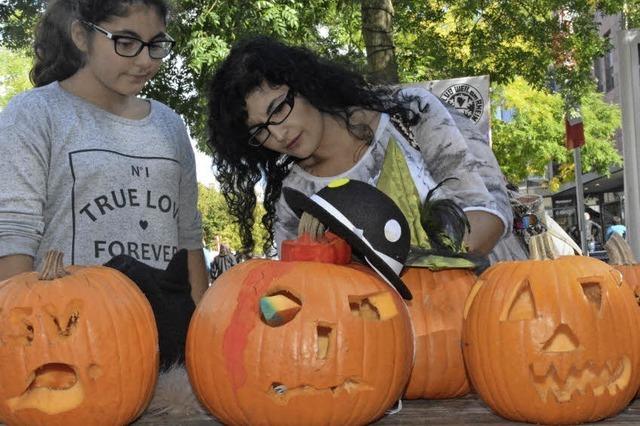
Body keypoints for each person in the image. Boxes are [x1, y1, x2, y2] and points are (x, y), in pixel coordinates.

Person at [206, 35, 517, 266]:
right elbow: (308, 293)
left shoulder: (409, 112)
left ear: (303, 84)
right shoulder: (296, 201)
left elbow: (489, 214)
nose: (277, 133)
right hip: (385, 343)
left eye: (278, 109)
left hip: (490, 316)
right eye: (259, 130)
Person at [0, 0, 208, 304]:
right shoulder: (34, 114)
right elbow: (13, 238)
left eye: (156, 44)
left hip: (164, 333)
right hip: (67, 331)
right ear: (82, 36)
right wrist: (25, 333)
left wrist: (202, 330)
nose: (145, 60)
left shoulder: (170, 125)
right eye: (126, 42)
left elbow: (189, 238)